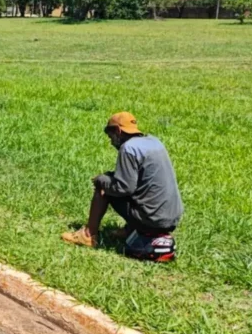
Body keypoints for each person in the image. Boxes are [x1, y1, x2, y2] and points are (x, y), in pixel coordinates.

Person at [61, 112, 183, 262]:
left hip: (151, 219)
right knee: (129, 185)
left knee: (104, 186)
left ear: (118, 131)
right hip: (171, 218)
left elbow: (124, 188)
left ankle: (88, 235)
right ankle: (130, 230)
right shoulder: (155, 142)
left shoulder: (128, 148)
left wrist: (101, 179)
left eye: (110, 136)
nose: (111, 142)